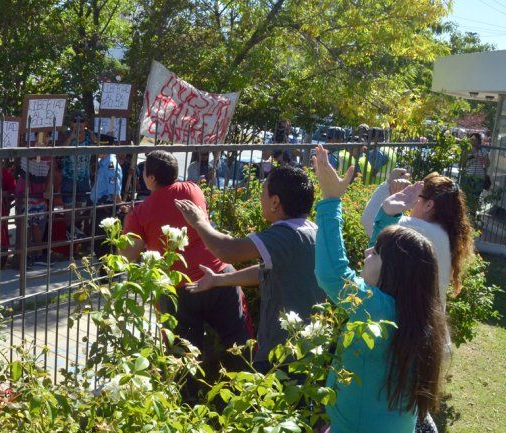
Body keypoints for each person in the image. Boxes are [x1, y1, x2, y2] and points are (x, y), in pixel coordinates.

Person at [311, 145, 447, 433]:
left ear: (392, 270)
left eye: (376, 251)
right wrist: (386, 216)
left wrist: (331, 201)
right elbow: (383, 263)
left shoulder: (377, 310)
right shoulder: (411, 310)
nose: (367, 250)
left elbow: (333, 274)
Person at [175, 165, 323, 373]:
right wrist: (218, 279)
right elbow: (267, 272)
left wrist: (200, 222)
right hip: (308, 347)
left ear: (275, 202)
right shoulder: (312, 230)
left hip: (281, 353)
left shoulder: (284, 235)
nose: (260, 198)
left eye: (263, 191)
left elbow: (227, 250)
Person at [120, 150, 252, 358]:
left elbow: (127, 255)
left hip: (179, 288)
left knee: (184, 356)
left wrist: (128, 223)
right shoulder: (193, 189)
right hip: (219, 275)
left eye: (143, 172)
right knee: (241, 344)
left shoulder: (140, 213)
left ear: (151, 178)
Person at [361, 169, 474, 305]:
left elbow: (369, 220)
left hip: (408, 316)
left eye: (417, 197)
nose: (412, 202)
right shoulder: (445, 233)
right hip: (429, 316)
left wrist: (387, 185)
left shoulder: (418, 229)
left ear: (428, 205)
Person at [89, 149, 122, 256]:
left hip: (106, 208)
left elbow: (114, 189)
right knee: (99, 243)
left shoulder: (110, 164)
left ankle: (105, 264)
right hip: (101, 206)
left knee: (104, 245)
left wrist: (118, 205)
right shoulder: (103, 162)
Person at [461, 132, 490, 215]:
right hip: (467, 176)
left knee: (475, 197)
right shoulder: (466, 150)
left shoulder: (483, 151)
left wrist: (483, 160)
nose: (473, 141)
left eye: (475, 140)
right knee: (464, 196)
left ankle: (472, 215)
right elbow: (462, 163)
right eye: (471, 139)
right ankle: (463, 214)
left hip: (479, 177)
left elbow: (487, 164)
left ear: (479, 141)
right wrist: (472, 156)